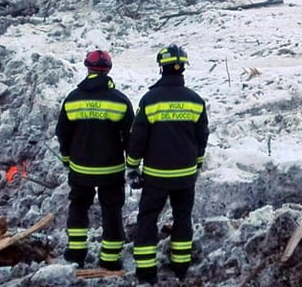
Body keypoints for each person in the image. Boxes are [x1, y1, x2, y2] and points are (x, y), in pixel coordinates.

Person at [127, 45, 210, 283]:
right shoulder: (195, 100)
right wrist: (197, 163)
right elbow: (202, 136)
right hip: (185, 175)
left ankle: (146, 271)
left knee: (147, 219)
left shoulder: (150, 99)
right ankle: (181, 267)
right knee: (183, 218)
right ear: (183, 67)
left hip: (156, 175)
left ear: (161, 67)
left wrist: (132, 166)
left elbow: (138, 138)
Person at [55, 49, 134, 270]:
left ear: (87, 68)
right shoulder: (119, 101)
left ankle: (76, 254)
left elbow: (63, 132)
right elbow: (131, 137)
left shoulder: (73, 99)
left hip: (80, 169)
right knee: (112, 211)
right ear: (108, 69)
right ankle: (110, 260)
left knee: (78, 207)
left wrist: (67, 158)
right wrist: (132, 164)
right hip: (111, 170)